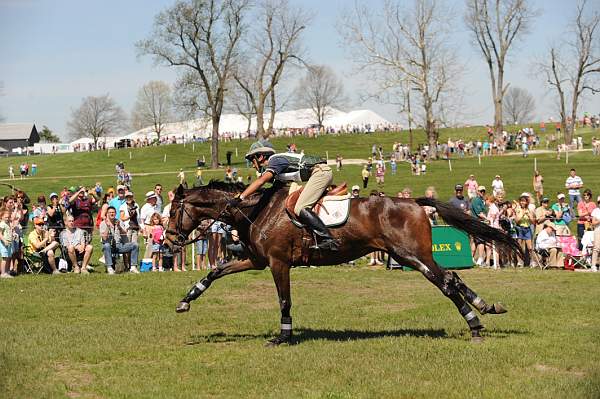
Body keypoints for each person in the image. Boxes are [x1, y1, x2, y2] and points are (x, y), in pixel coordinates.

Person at [231, 146, 339, 250]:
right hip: (320, 173)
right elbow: (274, 190)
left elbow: (261, 181)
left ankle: (329, 239)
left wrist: (241, 197)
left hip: (320, 173)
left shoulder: (275, 161)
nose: (253, 166)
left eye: (252, 161)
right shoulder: (278, 168)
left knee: (300, 208)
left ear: (260, 157)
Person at [99, 207, 139, 274]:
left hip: (119, 245)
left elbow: (124, 234)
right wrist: (108, 227)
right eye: (110, 212)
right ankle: (109, 267)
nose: (112, 214)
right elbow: (104, 238)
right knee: (106, 245)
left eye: (113, 212)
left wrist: (119, 227)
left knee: (135, 245)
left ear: (115, 213)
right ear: (107, 214)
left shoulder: (119, 222)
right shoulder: (103, 223)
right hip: (109, 246)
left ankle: (133, 267)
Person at [514, 195, 535, 267]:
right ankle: (520, 262)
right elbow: (516, 221)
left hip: (527, 229)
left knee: (530, 247)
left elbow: (533, 222)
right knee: (520, 247)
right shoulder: (518, 209)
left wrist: (529, 216)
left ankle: (532, 261)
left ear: (526, 202)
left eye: (524, 201)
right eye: (521, 201)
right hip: (520, 228)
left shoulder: (529, 210)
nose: (522, 202)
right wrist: (522, 214)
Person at [141, 191, 159, 259]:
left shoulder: (156, 207)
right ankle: (147, 260)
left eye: (155, 198)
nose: (155, 199)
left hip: (156, 226)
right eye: (154, 198)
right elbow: (141, 220)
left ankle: (154, 261)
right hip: (148, 226)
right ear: (149, 199)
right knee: (150, 245)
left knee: (157, 245)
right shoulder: (145, 207)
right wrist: (144, 230)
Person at [0, 209, 14, 278]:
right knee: (4, 258)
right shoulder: (2, 224)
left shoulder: (7, 223)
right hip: (4, 243)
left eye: (8, 217)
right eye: (6, 217)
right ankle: (3, 273)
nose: (7, 218)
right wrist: (4, 240)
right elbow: (0, 234)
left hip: (9, 243)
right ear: (1, 217)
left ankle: (7, 272)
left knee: (9, 257)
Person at [590, 198, 600, 272]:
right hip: (598, 230)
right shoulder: (596, 211)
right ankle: (593, 265)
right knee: (596, 248)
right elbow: (593, 223)